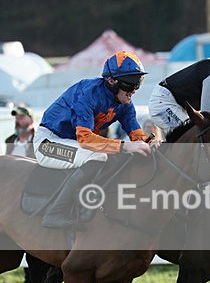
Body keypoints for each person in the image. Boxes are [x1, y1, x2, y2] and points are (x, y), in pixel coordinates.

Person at [36, 51, 153, 229]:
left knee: (113, 157)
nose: (134, 90)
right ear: (112, 81)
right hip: (49, 141)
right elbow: (84, 139)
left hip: (73, 143)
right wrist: (125, 146)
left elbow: (136, 134)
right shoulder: (88, 93)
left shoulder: (125, 103)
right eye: (130, 83)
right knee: (98, 157)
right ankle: (55, 213)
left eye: (138, 83)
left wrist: (148, 143)